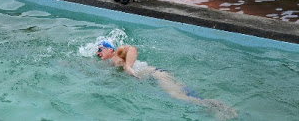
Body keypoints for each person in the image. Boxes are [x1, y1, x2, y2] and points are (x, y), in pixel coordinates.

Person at [96, 41, 237, 120]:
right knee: (185, 93)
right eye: (97, 51)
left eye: (100, 49)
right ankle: (216, 107)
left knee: (177, 95)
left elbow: (132, 48)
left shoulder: (118, 53)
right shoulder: (111, 63)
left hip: (155, 74)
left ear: (110, 49)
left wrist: (128, 66)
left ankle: (216, 107)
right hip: (156, 75)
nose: (98, 52)